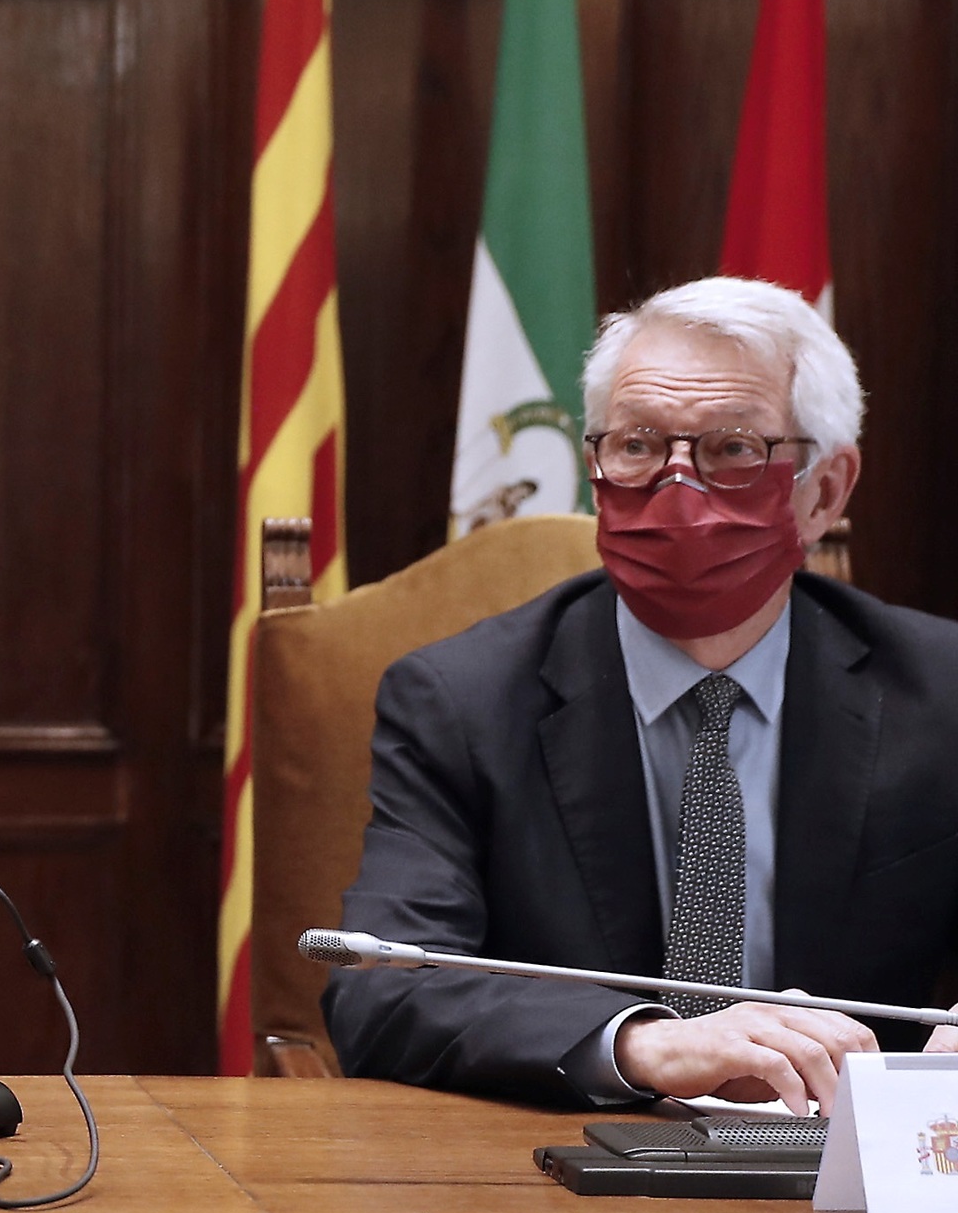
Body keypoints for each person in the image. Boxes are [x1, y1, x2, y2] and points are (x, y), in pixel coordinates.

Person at [326, 277, 958, 1109]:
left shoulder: (940, 695)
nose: (676, 487)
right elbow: (381, 985)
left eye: (733, 448)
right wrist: (642, 1043)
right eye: (637, 445)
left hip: (851, 1159)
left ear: (826, 490)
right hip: (570, 1157)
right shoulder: (462, 701)